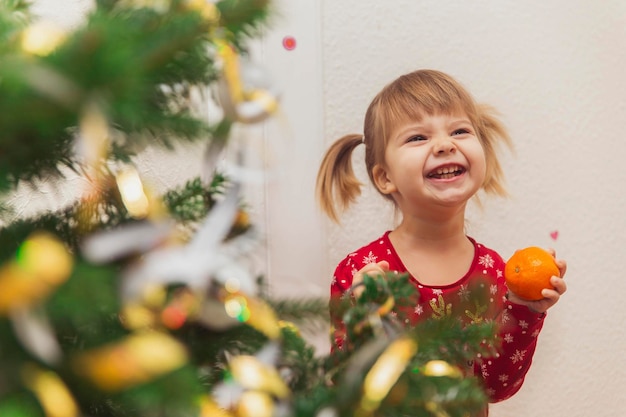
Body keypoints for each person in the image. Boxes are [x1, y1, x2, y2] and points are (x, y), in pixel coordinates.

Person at [315, 69, 567, 413]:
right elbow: (345, 392)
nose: (445, 144)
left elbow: (495, 387)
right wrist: (365, 318)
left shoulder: (494, 268)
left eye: (460, 131)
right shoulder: (360, 271)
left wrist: (525, 309)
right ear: (385, 177)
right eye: (417, 137)